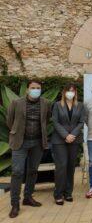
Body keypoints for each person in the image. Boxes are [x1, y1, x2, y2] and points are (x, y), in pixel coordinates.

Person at [6, 80, 52, 218]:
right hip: (20, 142)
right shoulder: (16, 103)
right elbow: (10, 121)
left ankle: (28, 197)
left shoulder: (46, 103)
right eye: (33, 88)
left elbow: (47, 120)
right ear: (27, 89)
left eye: (38, 88)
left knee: (32, 171)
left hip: (37, 142)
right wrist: (17, 132)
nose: (36, 90)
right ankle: (15, 204)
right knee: (17, 172)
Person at [51, 83, 85, 205]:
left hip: (74, 140)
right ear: (64, 92)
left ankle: (68, 192)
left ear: (76, 92)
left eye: (73, 91)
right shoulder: (57, 105)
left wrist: (72, 135)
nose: (70, 93)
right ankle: (58, 194)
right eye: (68, 90)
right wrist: (66, 135)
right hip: (59, 140)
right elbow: (55, 122)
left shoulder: (80, 105)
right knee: (62, 166)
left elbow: (81, 122)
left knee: (71, 166)